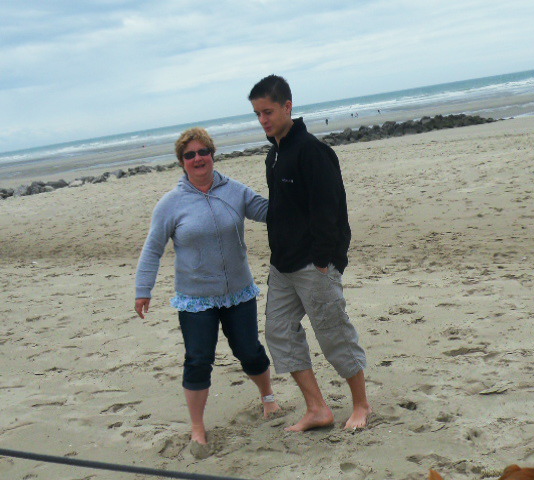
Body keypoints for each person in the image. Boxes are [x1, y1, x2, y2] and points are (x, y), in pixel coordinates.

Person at [134, 127, 280, 457]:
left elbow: (270, 212)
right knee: (199, 360)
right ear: (182, 162)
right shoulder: (170, 204)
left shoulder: (235, 191)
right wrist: (143, 290)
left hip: (238, 293)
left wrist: (296, 190)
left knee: (250, 351)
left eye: (203, 152)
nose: (198, 159)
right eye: (190, 155)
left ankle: (268, 397)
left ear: (213, 155)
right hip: (195, 299)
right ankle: (198, 428)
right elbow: (153, 249)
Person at [248, 75, 371, 432]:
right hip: (282, 265)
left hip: (314, 264)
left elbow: (330, 210)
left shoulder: (312, 151)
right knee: (279, 332)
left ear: (287, 107)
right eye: (257, 114)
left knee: (333, 334)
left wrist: (324, 261)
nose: (263, 120)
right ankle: (317, 408)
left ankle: (361, 405)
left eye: (268, 112)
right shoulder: (274, 155)